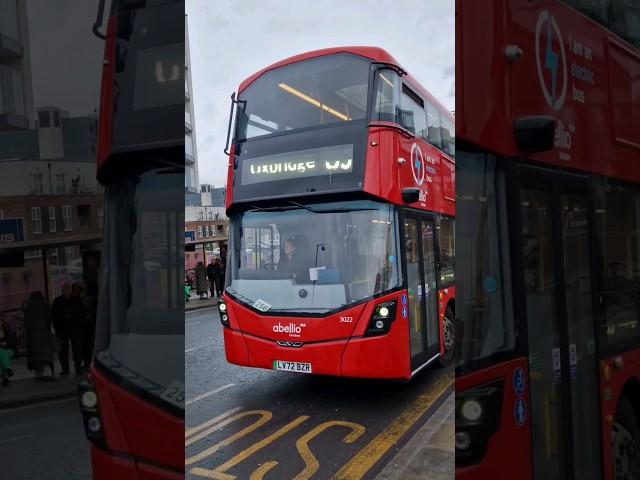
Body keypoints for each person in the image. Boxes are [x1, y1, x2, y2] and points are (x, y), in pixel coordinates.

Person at [51, 283, 84, 375]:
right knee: (68, 349)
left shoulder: (59, 301)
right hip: (67, 328)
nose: (66, 291)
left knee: (73, 349)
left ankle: (71, 367)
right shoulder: (75, 300)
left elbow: (81, 313)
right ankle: (71, 367)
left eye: (67, 289)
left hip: (70, 328)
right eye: (65, 289)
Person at [24, 291, 55, 380]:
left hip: (32, 336)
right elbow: (49, 319)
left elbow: (26, 322)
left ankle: (38, 374)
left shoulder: (28, 307)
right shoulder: (45, 305)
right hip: (44, 333)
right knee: (45, 354)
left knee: (36, 356)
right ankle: (48, 373)